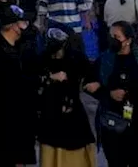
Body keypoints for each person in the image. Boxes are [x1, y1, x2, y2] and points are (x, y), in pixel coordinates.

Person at [0, 6, 41, 167]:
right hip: (5, 118)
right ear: (12, 26)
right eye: (21, 22)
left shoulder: (21, 47)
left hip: (22, 116)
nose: (25, 26)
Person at [37, 22, 96, 167]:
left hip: (72, 113)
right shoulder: (42, 58)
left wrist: (93, 84)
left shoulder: (76, 58)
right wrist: (50, 77)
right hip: (49, 115)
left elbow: (91, 77)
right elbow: (33, 80)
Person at [94, 21, 138, 167]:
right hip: (113, 123)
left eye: (116, 36)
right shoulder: (104, 59)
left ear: (128, 40)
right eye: (111, 36)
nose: (112, 40)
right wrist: (109, 93)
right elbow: (89, 85)